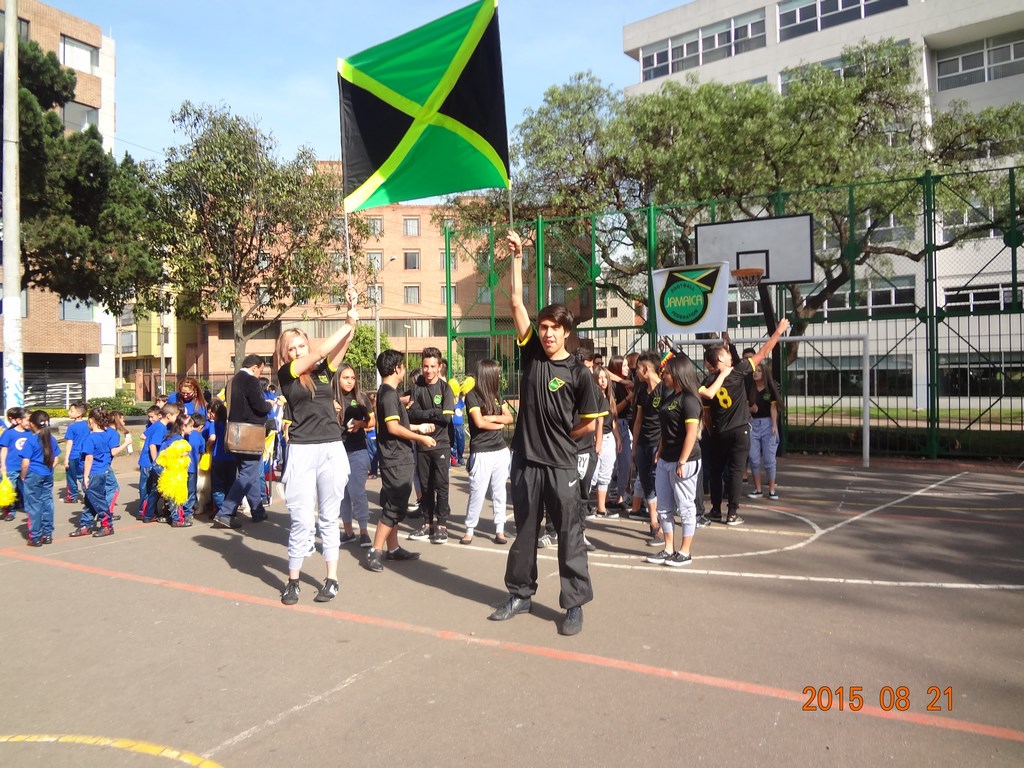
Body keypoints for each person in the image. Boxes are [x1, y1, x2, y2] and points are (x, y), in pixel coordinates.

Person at [489, 231, 600, 637]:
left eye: (554, 327)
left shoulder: (579, 373)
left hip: (561, 465)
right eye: (544, 327)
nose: (548, 333)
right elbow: (516, 302)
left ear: (566, 331)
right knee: (525, 533)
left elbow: (590, 420)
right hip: (526, 461)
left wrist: (564, 435)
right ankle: (520, 594)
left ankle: (574, 604)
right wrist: (518, 257)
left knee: (570, 535)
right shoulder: (532, 353)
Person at [276, 296, 359, 606]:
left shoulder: (324, 371)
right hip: (302, 450)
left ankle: (332, 578)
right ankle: (293, 581)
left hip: (332, 448)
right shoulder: (287, 374)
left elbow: (341, 345)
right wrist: (346, 324)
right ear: (285, 354)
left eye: (301, 345)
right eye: (292, 348)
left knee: (328, 517)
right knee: (301, 520)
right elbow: (322, 351)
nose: (298, 351)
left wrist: (352, 317)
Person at [699, 318, 790, 526]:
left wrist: (712, 431)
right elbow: (764, 352)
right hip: (740, 431)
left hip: (719, 432)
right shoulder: (737, 372)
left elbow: (707, 415)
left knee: (716, 471)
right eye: (726, 354)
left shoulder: (707, 382)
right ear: (719, 361)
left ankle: (715, 510)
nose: (730, 355)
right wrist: (778, 331)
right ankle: (732, 513)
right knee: (735, 472)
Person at [364, 349, 437, 573]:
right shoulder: (388, 394)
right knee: (395, 507)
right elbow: (393, 428)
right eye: (403, 366)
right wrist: (420, 438)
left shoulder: (388, 393)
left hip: (396, 457)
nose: (404, 369)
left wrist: (418, 427)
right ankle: (375, 550)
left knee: (393, 504)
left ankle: (393, 548)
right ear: (397, 368)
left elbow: (397, 424)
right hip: (395, 459)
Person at [645, 354, 707, 566]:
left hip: (684, 461)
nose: (664, 375)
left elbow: (691, 433)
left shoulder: (690, 399)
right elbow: (667, 430)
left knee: (686, 506)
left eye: (668, 372)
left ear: (679, 373)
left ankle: (685, 551)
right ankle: (668, 548)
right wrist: (660, 450)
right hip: (665, 459)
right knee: (664, 506)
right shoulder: (671, 396)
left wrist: (682, 461)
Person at [460, 359, 513, 545]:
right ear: (488, 374)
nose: (499, 376)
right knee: (477, 492)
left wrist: (491, 418)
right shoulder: (472, 395)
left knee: (499, 492)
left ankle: (500, 529)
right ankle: (469, 529)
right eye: (496, 373)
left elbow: (509, 418)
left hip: (500, 451)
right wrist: (498, 423)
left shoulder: (497, 395)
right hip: (481, 451)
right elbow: (479, 423)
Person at [405, 347, 455, 544]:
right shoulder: (417, 387)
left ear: (439, 366)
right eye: (426, 366)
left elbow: (447, 418)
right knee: (425, 486)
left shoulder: (446, 389)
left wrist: (424, 413)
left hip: (441, 445)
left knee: (441, 485)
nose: (428, 370)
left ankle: (442, 525)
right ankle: (427, 524)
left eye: (433, 366)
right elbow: (410, 414)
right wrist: (434, 412)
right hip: (422, 445)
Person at [217, 354, 273, 528]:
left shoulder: (232, 381)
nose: (260, 374)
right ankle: (225, 512)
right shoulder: (251, 381)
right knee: (248, 473)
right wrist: (270, 404)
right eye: (260, 370)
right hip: (250, 433)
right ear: (255, 367)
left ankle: (257, 510)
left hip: (235, 433)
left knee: (249, 472)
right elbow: (259, 406)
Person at [335, 363, 374, 548]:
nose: (350, 381)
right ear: (337, 379)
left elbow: (372, 421)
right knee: (342, 494)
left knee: (357, 491)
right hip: (336, 451)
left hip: (357, 450)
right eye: (345, 378)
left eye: (352, 378)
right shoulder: (330, 399)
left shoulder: (361, 398)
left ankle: (364, 532)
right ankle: (348, 532)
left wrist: (361, 424)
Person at [632, 351, 668, 546]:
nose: (636, 372)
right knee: (646, 482)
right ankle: (653, 522)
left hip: (658, 445)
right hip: (643, 445)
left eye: (638, 368)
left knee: (659, 483)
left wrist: (662, 446)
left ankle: (662, 526)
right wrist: (634, 447)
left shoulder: (665, 389)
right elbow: (638, 421)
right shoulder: (641, 392)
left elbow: (669, 422)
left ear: (646, 369)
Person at [75, 407, 122, 538]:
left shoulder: (90, 439)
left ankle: (107, 525)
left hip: (94, 472)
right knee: (90, 500)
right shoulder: (107, 435)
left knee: (98, 501)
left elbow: (89, 458)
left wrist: (85, 477)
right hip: (103, 471)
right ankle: (86, 524)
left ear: (91, 420)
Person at [21, 410, 60, 547]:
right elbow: (56, 458)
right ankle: (47, 534)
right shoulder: (51, 439)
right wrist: (50, 469)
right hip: (47, 473)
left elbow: (25, 462)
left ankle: (35, 536)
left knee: (33, 505)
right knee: (47, 502)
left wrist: (23, 476)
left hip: (33, 474)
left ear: (32, 424)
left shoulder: (31, 440)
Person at [746, 360, 783, 500]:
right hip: (753, 424)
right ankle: (758, 489)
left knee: (769, 459)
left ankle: (772, 489)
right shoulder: (750, 389)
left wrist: (774, 425)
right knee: (753, 458)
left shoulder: (770, 390)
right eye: (754, 371)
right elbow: (744, 406)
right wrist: (750, 409)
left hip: (767, 423)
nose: (755, 373)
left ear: (764, 374)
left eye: (759, 371)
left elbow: (773, 408)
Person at [590, 364, 621, 518]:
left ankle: (601, 508)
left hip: (609, 438)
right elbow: (596, 422)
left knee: (605, 474)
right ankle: (583, 506)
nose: (603, 381)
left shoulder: (609, 398)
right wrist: (596, 440)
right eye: (599, 378)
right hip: (597, 438)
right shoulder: (593, 397)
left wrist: (618, 438)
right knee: (592, 475)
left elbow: (613, 420)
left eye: (605, 378)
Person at [0, 407, 28, 521]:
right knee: (10, 489)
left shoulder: (30, 433)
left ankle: (28, 507)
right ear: (19, 420)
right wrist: (3, 465)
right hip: (11, 466)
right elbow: (4, 449)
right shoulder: (9, 433)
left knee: (26, 489)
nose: (29, 422)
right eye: (27, 419)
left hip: (26, 466)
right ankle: (10, 511)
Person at [62, 402, 89, 503]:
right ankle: (88, 494)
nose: (69, 412)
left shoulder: (72, 427)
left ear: (79, 414)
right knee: (82, 475)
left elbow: (70, 443)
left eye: (71, 411)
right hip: (83, 455)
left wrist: (66, 459)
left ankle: (73, 496)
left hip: (73, 455)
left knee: (71, 476)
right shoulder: (86, 426)